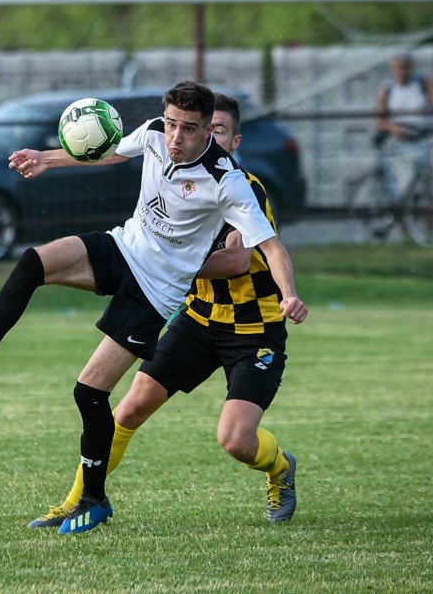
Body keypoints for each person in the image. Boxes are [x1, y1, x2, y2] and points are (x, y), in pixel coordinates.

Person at [0, 81, 304, 534]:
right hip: (137, 262)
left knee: (101, 397)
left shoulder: (231, 183)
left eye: (194, 129)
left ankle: (98, 499)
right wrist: (47, 159)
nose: (176, 137)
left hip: (189, 306)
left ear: (221, 137)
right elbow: (113, 152)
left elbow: (263, 251)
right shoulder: (155, 132)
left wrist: (289, 294)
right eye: (173, 124)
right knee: (33, 263)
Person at [29, 93, 307, 534]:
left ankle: (280, 467)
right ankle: (74, 503)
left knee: (235, 440)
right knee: (128, 410)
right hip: (198, 320)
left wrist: (164, 261)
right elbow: (115, 155)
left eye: (216, 131)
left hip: (253, 330)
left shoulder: (240, 187)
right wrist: (48, 158)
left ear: (234, 141)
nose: (199, 138)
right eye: (195, 128)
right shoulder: (175, 174)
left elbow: (237, 260)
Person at [374, 52, 433, 147]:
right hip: (401, 137)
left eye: (403, 68)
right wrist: (392, 127)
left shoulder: (424, 82)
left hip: (427, 134)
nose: (400, 72)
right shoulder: (386, 89)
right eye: (396, 68)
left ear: (410, 68)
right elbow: (379, 122)